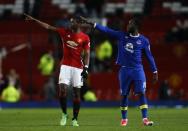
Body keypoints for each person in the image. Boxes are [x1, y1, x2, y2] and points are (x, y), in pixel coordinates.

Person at [79, 16, 158, 126]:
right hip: (124, 70)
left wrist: (154, 71)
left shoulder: (144, 41)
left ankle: (145, 118)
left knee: (141, 93)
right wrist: (92, 24)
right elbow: (107, 30)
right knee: (124, 95)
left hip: (138, 70)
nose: (128, 25)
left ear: (136, 26)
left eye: (130, 23)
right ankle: (124, 119)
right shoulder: (122, 35)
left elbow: (150, 57)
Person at [24, 14, 90, 127]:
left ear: (78, 23)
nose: (71, 24)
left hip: (78, 67)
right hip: (65, 65)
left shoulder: (85, 37)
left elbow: (87, 53)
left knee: (77, 94)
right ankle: (64, 114)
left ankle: (75, 119)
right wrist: (35, 20)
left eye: (73, 22)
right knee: (62, 90)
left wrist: (86, 68)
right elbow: (48, 27)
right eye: (70, 22)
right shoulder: (64, 32)